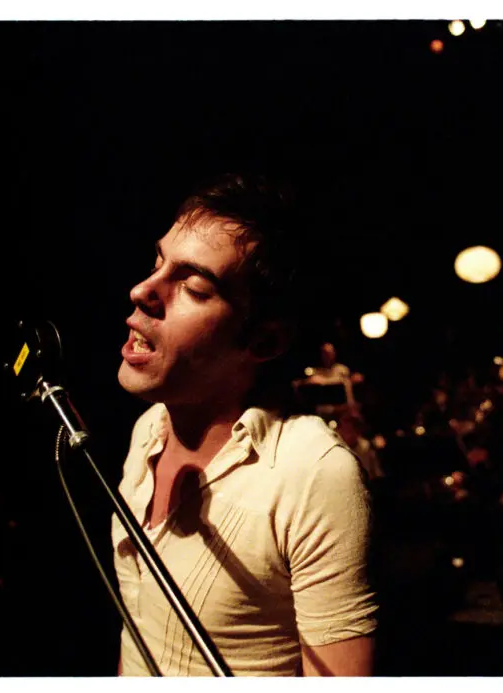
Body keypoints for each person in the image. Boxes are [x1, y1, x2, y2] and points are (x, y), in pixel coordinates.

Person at [112, 174, 377, 676]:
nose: (142, 290)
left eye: (193, 286)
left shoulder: (312, 473)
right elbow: (140, 638)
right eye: (156, 264)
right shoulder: (149, 429)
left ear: (264, 340)